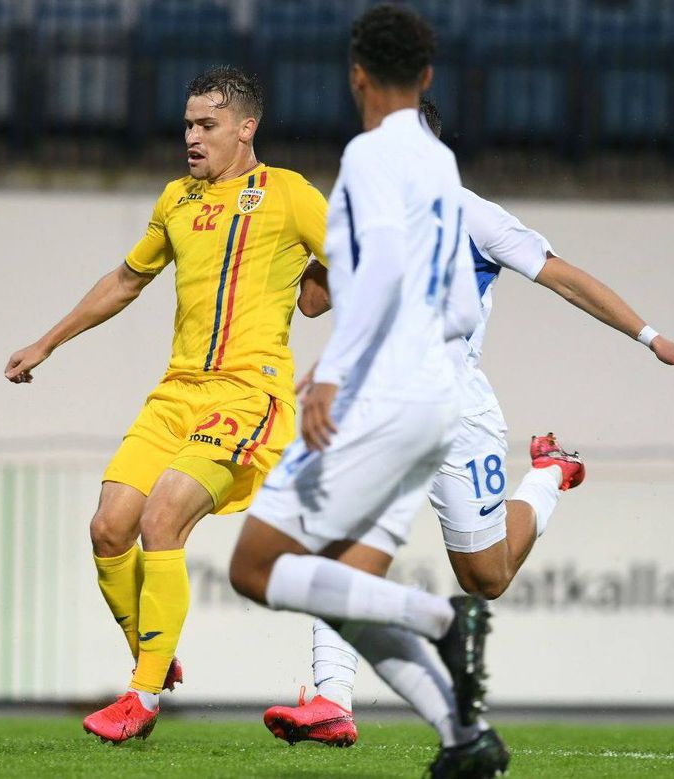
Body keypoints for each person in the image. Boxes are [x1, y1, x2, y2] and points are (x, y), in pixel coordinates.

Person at [263, 94, 674, 772]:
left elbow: (565, 279)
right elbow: (312, 300)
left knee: (487, 575)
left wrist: (651, 337)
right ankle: (333, 702)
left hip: (458, 411)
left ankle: (549, 475)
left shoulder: (475, 217)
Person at [5, 66, 329, 744]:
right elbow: (126, 280)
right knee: (108, 527)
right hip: (176, 392)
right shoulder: (176, 200)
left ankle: (143, 695)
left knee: (161, 517)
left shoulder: (290, 194)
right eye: (187, 124)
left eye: (206, 124)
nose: (192, 136)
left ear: (247, 128)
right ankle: (153, 655)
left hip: (248, 395)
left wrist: (332, 319)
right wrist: (46, 342)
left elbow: (369, 264)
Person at [226, 7, 507, 777]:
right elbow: (453, 302)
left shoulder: (371, 156)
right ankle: (463, 738)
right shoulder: (440, 165)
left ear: (356, 74)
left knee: (254, 567)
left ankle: (440, 618)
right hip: (439, 399)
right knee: (343, 584)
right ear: (427, 76)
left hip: (382, 396)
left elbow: (378, 266)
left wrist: (335, 372)